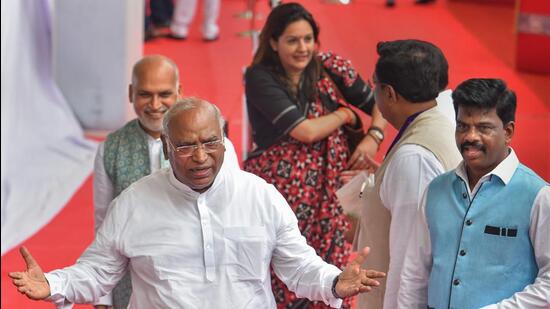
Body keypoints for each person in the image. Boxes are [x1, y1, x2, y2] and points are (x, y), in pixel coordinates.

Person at [8, 98, 386, 309]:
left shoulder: (260, 197)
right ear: (167, 149)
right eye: (186, 146)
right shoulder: (134, 204)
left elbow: (298, 268)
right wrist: (55, 283)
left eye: (210, 142)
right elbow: (96, 273)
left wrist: (334, 282)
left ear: (224, 141)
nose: (201, 156)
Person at [243, 3, 387, 308]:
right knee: (281, 267)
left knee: (331, 272)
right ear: (273, 42)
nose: (302, 48)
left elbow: (381, 100)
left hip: (330, 196)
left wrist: (374, 136)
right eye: (293, 40)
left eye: (308, 39)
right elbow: (305, 131)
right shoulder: (260, 78)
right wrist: (345, 114)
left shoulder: (330, 67)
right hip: (280, 195)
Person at [92, 55, 240, 309]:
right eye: (145, 94)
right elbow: (104, 223)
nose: (155, 104)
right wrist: (102, 297)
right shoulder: (112, 148)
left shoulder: (215, 146)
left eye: (164, 94)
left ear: (179, 92)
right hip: (135, 282)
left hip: (202, 281)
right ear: (131, 93)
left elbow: (231, 212)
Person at [398, 78, 550, 308]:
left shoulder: (538, 196)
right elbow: (415, 274)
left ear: (508, 131)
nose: (470, 137)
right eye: (462, 126)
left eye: (483, 128)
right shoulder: (436, 190)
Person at [354, 39, 462, 309]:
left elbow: (409, 265)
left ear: (389, 93)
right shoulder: (436, 121)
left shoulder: (414, 157)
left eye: (373, 83)